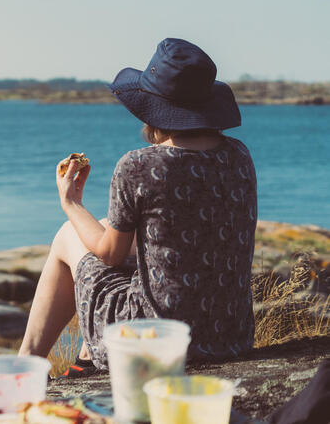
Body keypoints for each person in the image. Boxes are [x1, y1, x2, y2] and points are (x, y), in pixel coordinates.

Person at [18, 38, 257, 377]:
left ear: (153, 108)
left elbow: (109, 255)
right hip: (230, 337)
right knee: (108, 226)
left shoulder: (139, 165)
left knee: (69, 233)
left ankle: (26, 363)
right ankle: (83, 360)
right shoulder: (239, 155)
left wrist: (70, 202)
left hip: (154, 342)